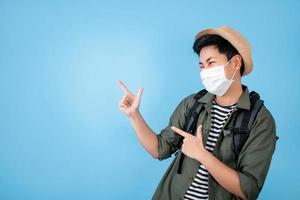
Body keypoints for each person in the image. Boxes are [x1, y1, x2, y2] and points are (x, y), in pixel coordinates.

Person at [117, 25, 277, 200]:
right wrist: (134, 115)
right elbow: (159, 149)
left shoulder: (260, 120)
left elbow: (248, 190)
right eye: (201, 65)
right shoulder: (193, 104)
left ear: (236, 63)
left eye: (211, 63)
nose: (205, 71)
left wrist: (202, 155)